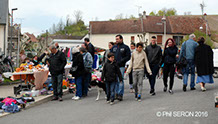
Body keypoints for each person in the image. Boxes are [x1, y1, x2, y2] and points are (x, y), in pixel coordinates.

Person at [111, 34, 131, 101]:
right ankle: (116, 93)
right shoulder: (114, 47)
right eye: (116, 39)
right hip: (114, 66)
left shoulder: (125, 47)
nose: (116, 40)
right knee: (115, 80)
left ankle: (120, 94)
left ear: (121, 39)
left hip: (121, 66)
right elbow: (110, 55)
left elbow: (128, 56)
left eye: (117, 39)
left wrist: (121, 61)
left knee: (120, 80)